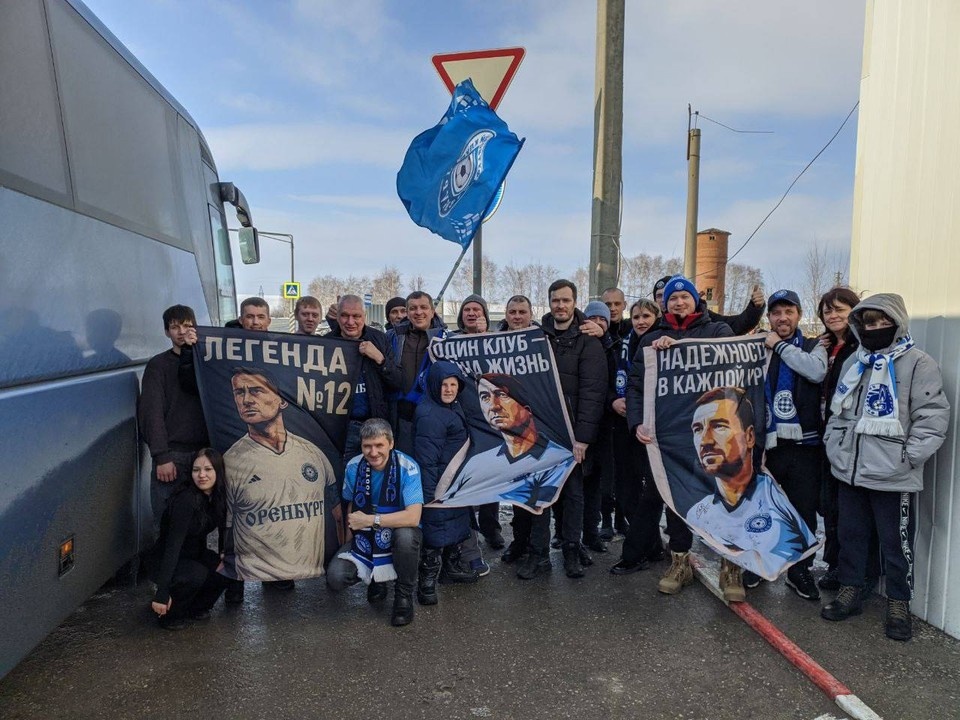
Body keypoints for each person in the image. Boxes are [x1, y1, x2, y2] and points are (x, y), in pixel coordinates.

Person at [821, 294, 949, 641]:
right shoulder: (855, 363)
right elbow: (838, 411)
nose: (875, 328)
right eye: (868, 322)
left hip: (893, 474)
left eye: (882, 322)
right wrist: (835, 446)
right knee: (851, 536)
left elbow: (932, 417)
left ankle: (898, 602)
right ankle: (850, 590)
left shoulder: (918, 363)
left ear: (897, 323)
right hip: (850, 469)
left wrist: (908, 457)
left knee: (896, 544)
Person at [627, 275, 734, 595]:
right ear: (665, 303)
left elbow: (732, 358)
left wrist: (683, 349)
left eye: (684, 296)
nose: (678, 302)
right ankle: (680, 560)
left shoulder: (717, 330)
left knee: (721, 496)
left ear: (695, 300)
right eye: (672, 298)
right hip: (670, 435)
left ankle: (731, 565)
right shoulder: (651, 339)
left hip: (712, 433)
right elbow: (636, 386)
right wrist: (637, 422)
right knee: (675, 499)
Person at [685, 388, 818, 601]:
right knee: (749, 508)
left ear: (748, 436)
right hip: (764, 437)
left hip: (798, 439)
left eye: (719, 426)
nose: (705, 440)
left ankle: (799, 570)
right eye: (698, 429)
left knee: (802, 505)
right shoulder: (698, 510)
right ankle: (749, 568)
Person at [518, 279, 607, 580]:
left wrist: (582, 438)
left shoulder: (589, 341)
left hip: (572, 435)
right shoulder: (535, 338)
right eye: (556, 300)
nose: (560, 305)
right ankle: (538, 553)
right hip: (540, 433)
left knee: (572, 494)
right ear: (549, 302)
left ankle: (571, 549)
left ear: (574, 303)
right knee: (538, 494)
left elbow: (593, 393)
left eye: (566, 300)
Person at [222, 367, 337, 582]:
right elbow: (226, 528)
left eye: (256, 391)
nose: (246, 400)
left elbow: (337, 514)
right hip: (256, 573)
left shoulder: (313, 453)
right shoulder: (231, 461)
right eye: (239, 392)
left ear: (282, 400)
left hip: (310, 571)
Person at [761, 289, 828, 600]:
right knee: (764, 508)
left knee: (803, 512)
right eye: (776, 312)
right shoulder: (759, 347)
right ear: (769, 317)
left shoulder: (815, 346)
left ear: (799, 315)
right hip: (769, 445)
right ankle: (759, 565)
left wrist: (780, 345)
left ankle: (799, 570)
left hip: (805, 446)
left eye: (789, 311)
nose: (782, 318)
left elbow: (815, 372)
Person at [327, 419, 424, 627]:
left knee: (406, 537)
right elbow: (351, 505)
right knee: (336, 577)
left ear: (391, 443)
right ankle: (376, 579)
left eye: (379, 445)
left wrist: (372, 520)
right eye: (367, 446)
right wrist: (349, 541)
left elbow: (413, 517)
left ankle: (403, 596)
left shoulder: (408, 467)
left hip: (398, 531)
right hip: (365, 535)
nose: (373, 452)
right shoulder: (354, 466)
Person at [816, 286, 880, 592]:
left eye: (839, 309)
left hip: (850, 439)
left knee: (850, 511)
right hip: (826, 436)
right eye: (827, 311)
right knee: (829, 505)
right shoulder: (825, 347)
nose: (832, 315)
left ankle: (859, 572)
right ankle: (835, 564)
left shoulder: (862, 349)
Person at [445, 374, 574, 509]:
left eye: (502, 395)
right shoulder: (477, 462)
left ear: (527, 409)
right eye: (485, 397)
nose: (494, 406)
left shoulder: (557, 457)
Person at [139, 304, 209, 535]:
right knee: (167, 522)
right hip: (173, 455)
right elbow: (152, 413)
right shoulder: (158, 366)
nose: (181, 332)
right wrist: (161, 456)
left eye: (187, 326)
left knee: (200, 522)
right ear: (166, 332)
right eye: (175, 327)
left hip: (203, 453)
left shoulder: (206, 363)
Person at [610, 299, 666, 575]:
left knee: (651, 493)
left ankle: (636, 551)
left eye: (646, 316)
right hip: (625, 426)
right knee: (626, 491)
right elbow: (613, 379)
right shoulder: (625, 343)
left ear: (657, 317)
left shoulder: (664, 343)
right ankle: (653, 545)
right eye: (636, 317)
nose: (641, 321)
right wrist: (614, 400)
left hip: (655, 427)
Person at [147, 448, 229, 630]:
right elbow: (172, 547)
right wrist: (162, 592)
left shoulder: (218, 496)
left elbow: (225, 530)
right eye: (196, 470)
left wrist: (225, 553)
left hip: (194, 554)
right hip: (166, 559)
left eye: (208, 469)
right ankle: (168, 616)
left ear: (218, 471)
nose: (201, 475)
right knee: (196, 574)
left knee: (228, 568)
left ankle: (195, 609)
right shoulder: (186, 500)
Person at [414, 362, 475, 603]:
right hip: (438, 483)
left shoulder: (451, 406)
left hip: (453, 481)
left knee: (454, 525)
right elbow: (426, 460)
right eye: (444, 385)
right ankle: (427, 582)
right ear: (433, 385)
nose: (449, 389)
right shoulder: (430, 415)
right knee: (435, 533)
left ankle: (451, 567)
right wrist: (430, 496)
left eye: (453, 384)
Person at [325, 295, 402, 462]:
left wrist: (379, 358)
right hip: (341, 429)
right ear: (337, 317)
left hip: (374, 425)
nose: (350, 322)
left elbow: (397, 382)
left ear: (364, 316)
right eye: (345, 315)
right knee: (344, 475)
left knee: (375, 476)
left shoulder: (379, 339)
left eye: (356, 316)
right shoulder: (327, 343)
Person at [454, 294, 503, 552]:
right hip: (461, 417)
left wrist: (485, 338)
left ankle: (491, 528)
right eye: (467, 310)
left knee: (491, 475)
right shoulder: (450, 342)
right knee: (464, 475)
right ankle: (467, 531)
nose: (472, 313)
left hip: (489, 419)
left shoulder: (495, 342)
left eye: (477, 309)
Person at [386, 291, 446, 455]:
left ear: (432, 311)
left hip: (433, 416)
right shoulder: (393, 337)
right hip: (402, 417)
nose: (418, 312)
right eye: (413, 308)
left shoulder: (446, 339)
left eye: (423, 307)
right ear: (407, 312)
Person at [580, 300, 617, 554]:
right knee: (580, 483)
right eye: (592, 318)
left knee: (600, 483)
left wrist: (604, 340)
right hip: (582, 423)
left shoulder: (613, 345)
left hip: (607, 425)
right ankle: (566, 533)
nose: (597, 323)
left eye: (602, 319)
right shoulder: (578, 343)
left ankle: (594, 532)